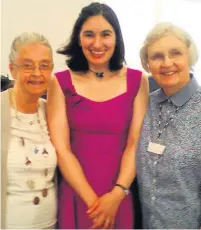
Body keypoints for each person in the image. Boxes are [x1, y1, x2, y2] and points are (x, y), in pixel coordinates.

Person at [47, 2, 148, 229]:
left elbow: (135, 144)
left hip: (119, 196)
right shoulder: (60, 82)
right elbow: (62, 150)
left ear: (116, 38)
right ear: (78, 38)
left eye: (106, 34)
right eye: (89, 34)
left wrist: (116, 194)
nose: (97, 43)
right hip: (77, 195)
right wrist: (96, 204)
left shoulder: (137, 81)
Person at [137, 22, 201, 229]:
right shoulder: (144, 104)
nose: (167, 63)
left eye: (175, 53)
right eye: (156, 56)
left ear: (189, 57)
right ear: (147, 64)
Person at [1, 32, 57, 229]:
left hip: (50, 224)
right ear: (12, 69)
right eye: (27, 65)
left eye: (44, 65)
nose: (37, 73)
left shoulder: (50, 112)